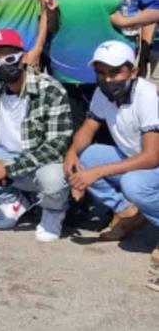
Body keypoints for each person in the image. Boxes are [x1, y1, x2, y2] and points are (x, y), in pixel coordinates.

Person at [0, 29, 72, 243]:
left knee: (54, 179)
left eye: (9, 58)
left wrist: (6, 169)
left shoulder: (51, 90)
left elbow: (56, 146)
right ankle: (11, 198)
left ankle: (53, 212)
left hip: (38, 162)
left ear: (23, 57)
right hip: (3, 156)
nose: (3, 66)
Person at [63, 41, 159, 290]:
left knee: (133, 184)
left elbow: (152, 157)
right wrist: (71, 154)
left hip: (152, 161)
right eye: (101, 73)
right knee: (87, 156)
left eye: (115, 72)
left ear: (134, 71)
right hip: (135, 158)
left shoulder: (147, 95)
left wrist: (96, 173)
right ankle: (128, 213)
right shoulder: (102, 93)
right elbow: (88, 129)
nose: (107, 79)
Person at [49, 0, 158, 129]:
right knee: (74, 138)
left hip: (110, 76)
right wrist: (51, 12)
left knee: (110, 137)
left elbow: (155, 9)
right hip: (66, 73)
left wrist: (129, 21)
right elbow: (54, 25)